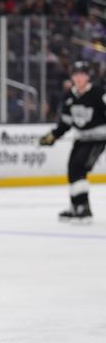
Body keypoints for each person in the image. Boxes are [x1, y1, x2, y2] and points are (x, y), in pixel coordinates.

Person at [40, 61, 106, 223]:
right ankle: (77, 206)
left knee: (79, 167)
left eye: (82, 75)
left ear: (87, 77)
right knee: (72, 169)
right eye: (76, 75)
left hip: (98, 139)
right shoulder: (70, 96)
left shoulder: (99, 94)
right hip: (81, 139)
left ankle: (83, 208)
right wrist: (53, 136)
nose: (78, 78)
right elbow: (65, 123)